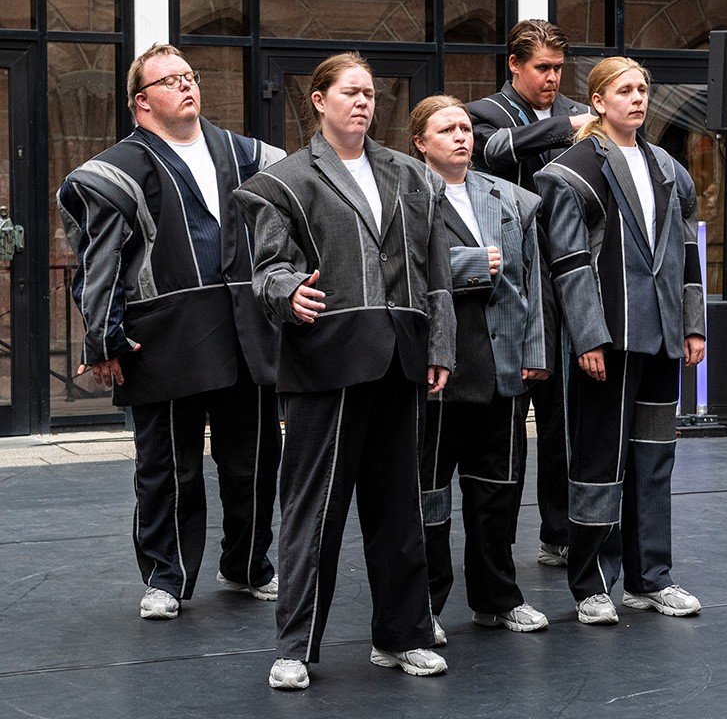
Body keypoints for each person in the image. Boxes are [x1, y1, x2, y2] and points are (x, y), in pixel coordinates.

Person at [235, 52, 456, 690]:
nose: (363, 102)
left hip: (401, 359)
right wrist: (287, 293)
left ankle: (403, 637)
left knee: (399, 511)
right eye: (350, 92)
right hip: (326, 360)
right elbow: (268, 269)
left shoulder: (412, 176)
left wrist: (440, 347)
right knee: (314, 512)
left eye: (369, 94)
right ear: (319, 100)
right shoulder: (284, 181)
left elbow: (437, 272)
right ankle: (294, 649)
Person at [57, 43, 286, 621]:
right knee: (168, 467)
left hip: (244, 330)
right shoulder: (117, 170)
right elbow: (100, 261)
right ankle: (167, 576)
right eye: (170, 80)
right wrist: (103, 340)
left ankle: (249, 565)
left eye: (190, 75)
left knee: (254, 460)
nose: (187, 85)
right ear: (141, 101)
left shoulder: (246, 154)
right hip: (162, 337)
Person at [533, 57, 705, 624]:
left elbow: (687, 251)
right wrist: (587, 337)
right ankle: (592, 585)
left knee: (654, 459)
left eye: (643, 89)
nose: (637, 98)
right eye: (625, 90)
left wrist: (693, 324)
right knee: (599, 463)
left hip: (661, 337)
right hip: (607, 339)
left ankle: (650, 579)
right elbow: (568, 263)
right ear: (599, 101)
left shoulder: (669, 169)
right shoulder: (571, 170)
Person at [409, 95, 552, 643]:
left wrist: (535, 353)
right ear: (420, 142)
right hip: (439, 370)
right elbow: (396, 269)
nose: (461, 137)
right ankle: (425, 606)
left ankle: (497, 599)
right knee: (430, 497)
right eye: (447, 129)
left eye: (466, 128)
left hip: (502, 368)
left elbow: (532, 282)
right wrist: (468, 265)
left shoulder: (509, 196)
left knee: (498, 492)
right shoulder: (403, 196)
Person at [467, 19, 593, 568]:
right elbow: (496, 151)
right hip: (511, 283)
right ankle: (496, 550)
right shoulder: (483, 113)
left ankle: (560, 533)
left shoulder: (577, 110)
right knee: (509, 427)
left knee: (565, 418)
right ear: (514, 64)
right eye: (542, 67)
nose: (552, 78)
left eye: (559, 68)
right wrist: (569, 128)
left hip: (570, 276)